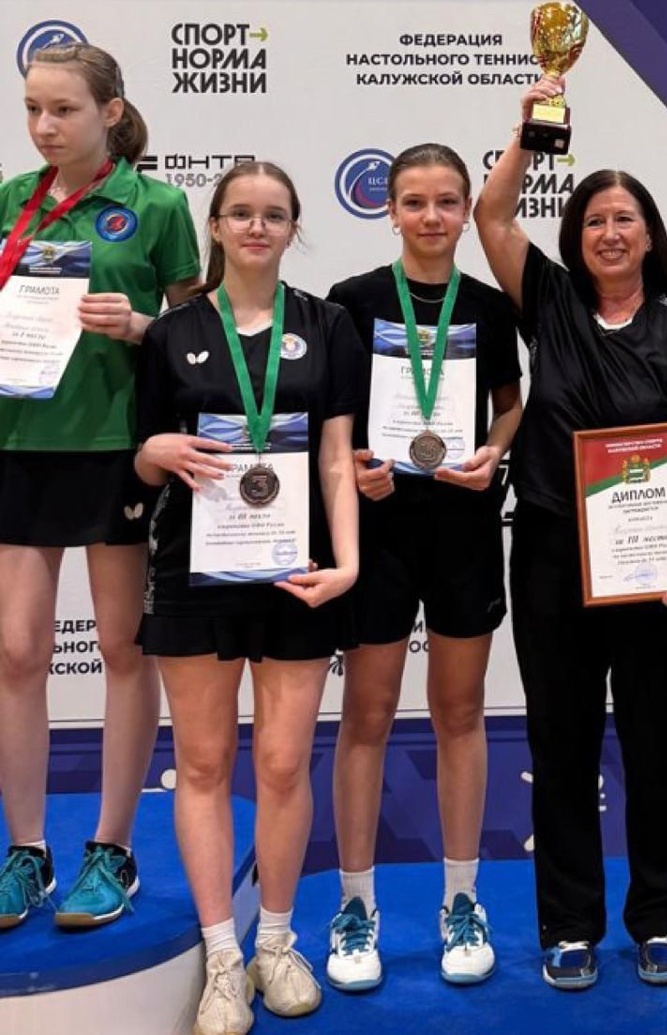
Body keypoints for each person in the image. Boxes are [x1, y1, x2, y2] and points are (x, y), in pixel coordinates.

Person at [474, 76, 667, 990]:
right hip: (550, 553)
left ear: (650, 235)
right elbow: (492, 215)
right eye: (593, 221)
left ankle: (659, 920)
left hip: (654, 569)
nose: (610, 233)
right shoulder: (550, 301)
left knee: (656, 748)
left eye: (625, 219)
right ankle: (570, 925)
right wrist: (532, 132)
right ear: (575, 237)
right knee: (562, 746)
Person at [134, 162, 362, 1034]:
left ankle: (276, 940)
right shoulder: (173, 332)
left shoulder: (327, 324)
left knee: (281, 762)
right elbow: (142, 456)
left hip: (297, 571)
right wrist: (155, 451)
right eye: (240, 213)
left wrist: (348, 563)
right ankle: (223, 956)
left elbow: (337, 457)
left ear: (294, 226)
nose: (256, 227)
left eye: (273, 214)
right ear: (216, 226)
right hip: (194, 572)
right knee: (201, 764)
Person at [0, 43, 200, 931]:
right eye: (32, 109)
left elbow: (199, 336)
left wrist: (141, 324)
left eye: (64, 110)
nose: (44, 127)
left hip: (118, 446)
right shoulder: (11, 199)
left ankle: (112, 846)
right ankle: (27, 849)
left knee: (123, 647)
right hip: (18, 439)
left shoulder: (157, 206)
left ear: (110, 113)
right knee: (16, 652)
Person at [323, 142, 522, 991]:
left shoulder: (489, 306)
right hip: (378, 530)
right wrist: (355, 464)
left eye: (447, 201)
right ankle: (355, 904)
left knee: (459, 712)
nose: (432, 216)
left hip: (464, 525)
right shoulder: (352, 300)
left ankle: (461, 898)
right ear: (390, 209)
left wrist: (495, 453)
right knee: (366, 715)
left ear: (466, 209)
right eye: (415, 201)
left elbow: (509, 406)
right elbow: (332, 422)